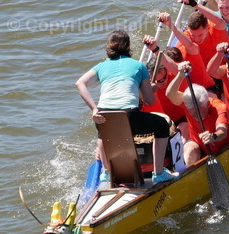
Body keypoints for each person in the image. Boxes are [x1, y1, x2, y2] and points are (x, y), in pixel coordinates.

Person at [75, 30, 175, 185]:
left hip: (104, 114)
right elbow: (149, 100)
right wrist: (152, 88)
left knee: (102, 131)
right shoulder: (139, 66)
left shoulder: (101, 66)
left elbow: (80, 83)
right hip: (129, 117)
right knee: (162, 126)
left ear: (109, 48)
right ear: (128, 47)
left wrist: (94, 109)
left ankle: (107, 172)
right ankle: (159, 173)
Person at [165, 69, 229, 164]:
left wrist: (213, 136)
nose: (194, 114)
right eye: (190, 110)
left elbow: (222, 131)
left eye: (198, 111)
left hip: (223, 146)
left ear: (208, 104)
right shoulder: (189, 101)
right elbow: (170, 94)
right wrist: (180, 75)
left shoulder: (219, 107)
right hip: (199, 145)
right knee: (189, 151)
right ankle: (187, 174)